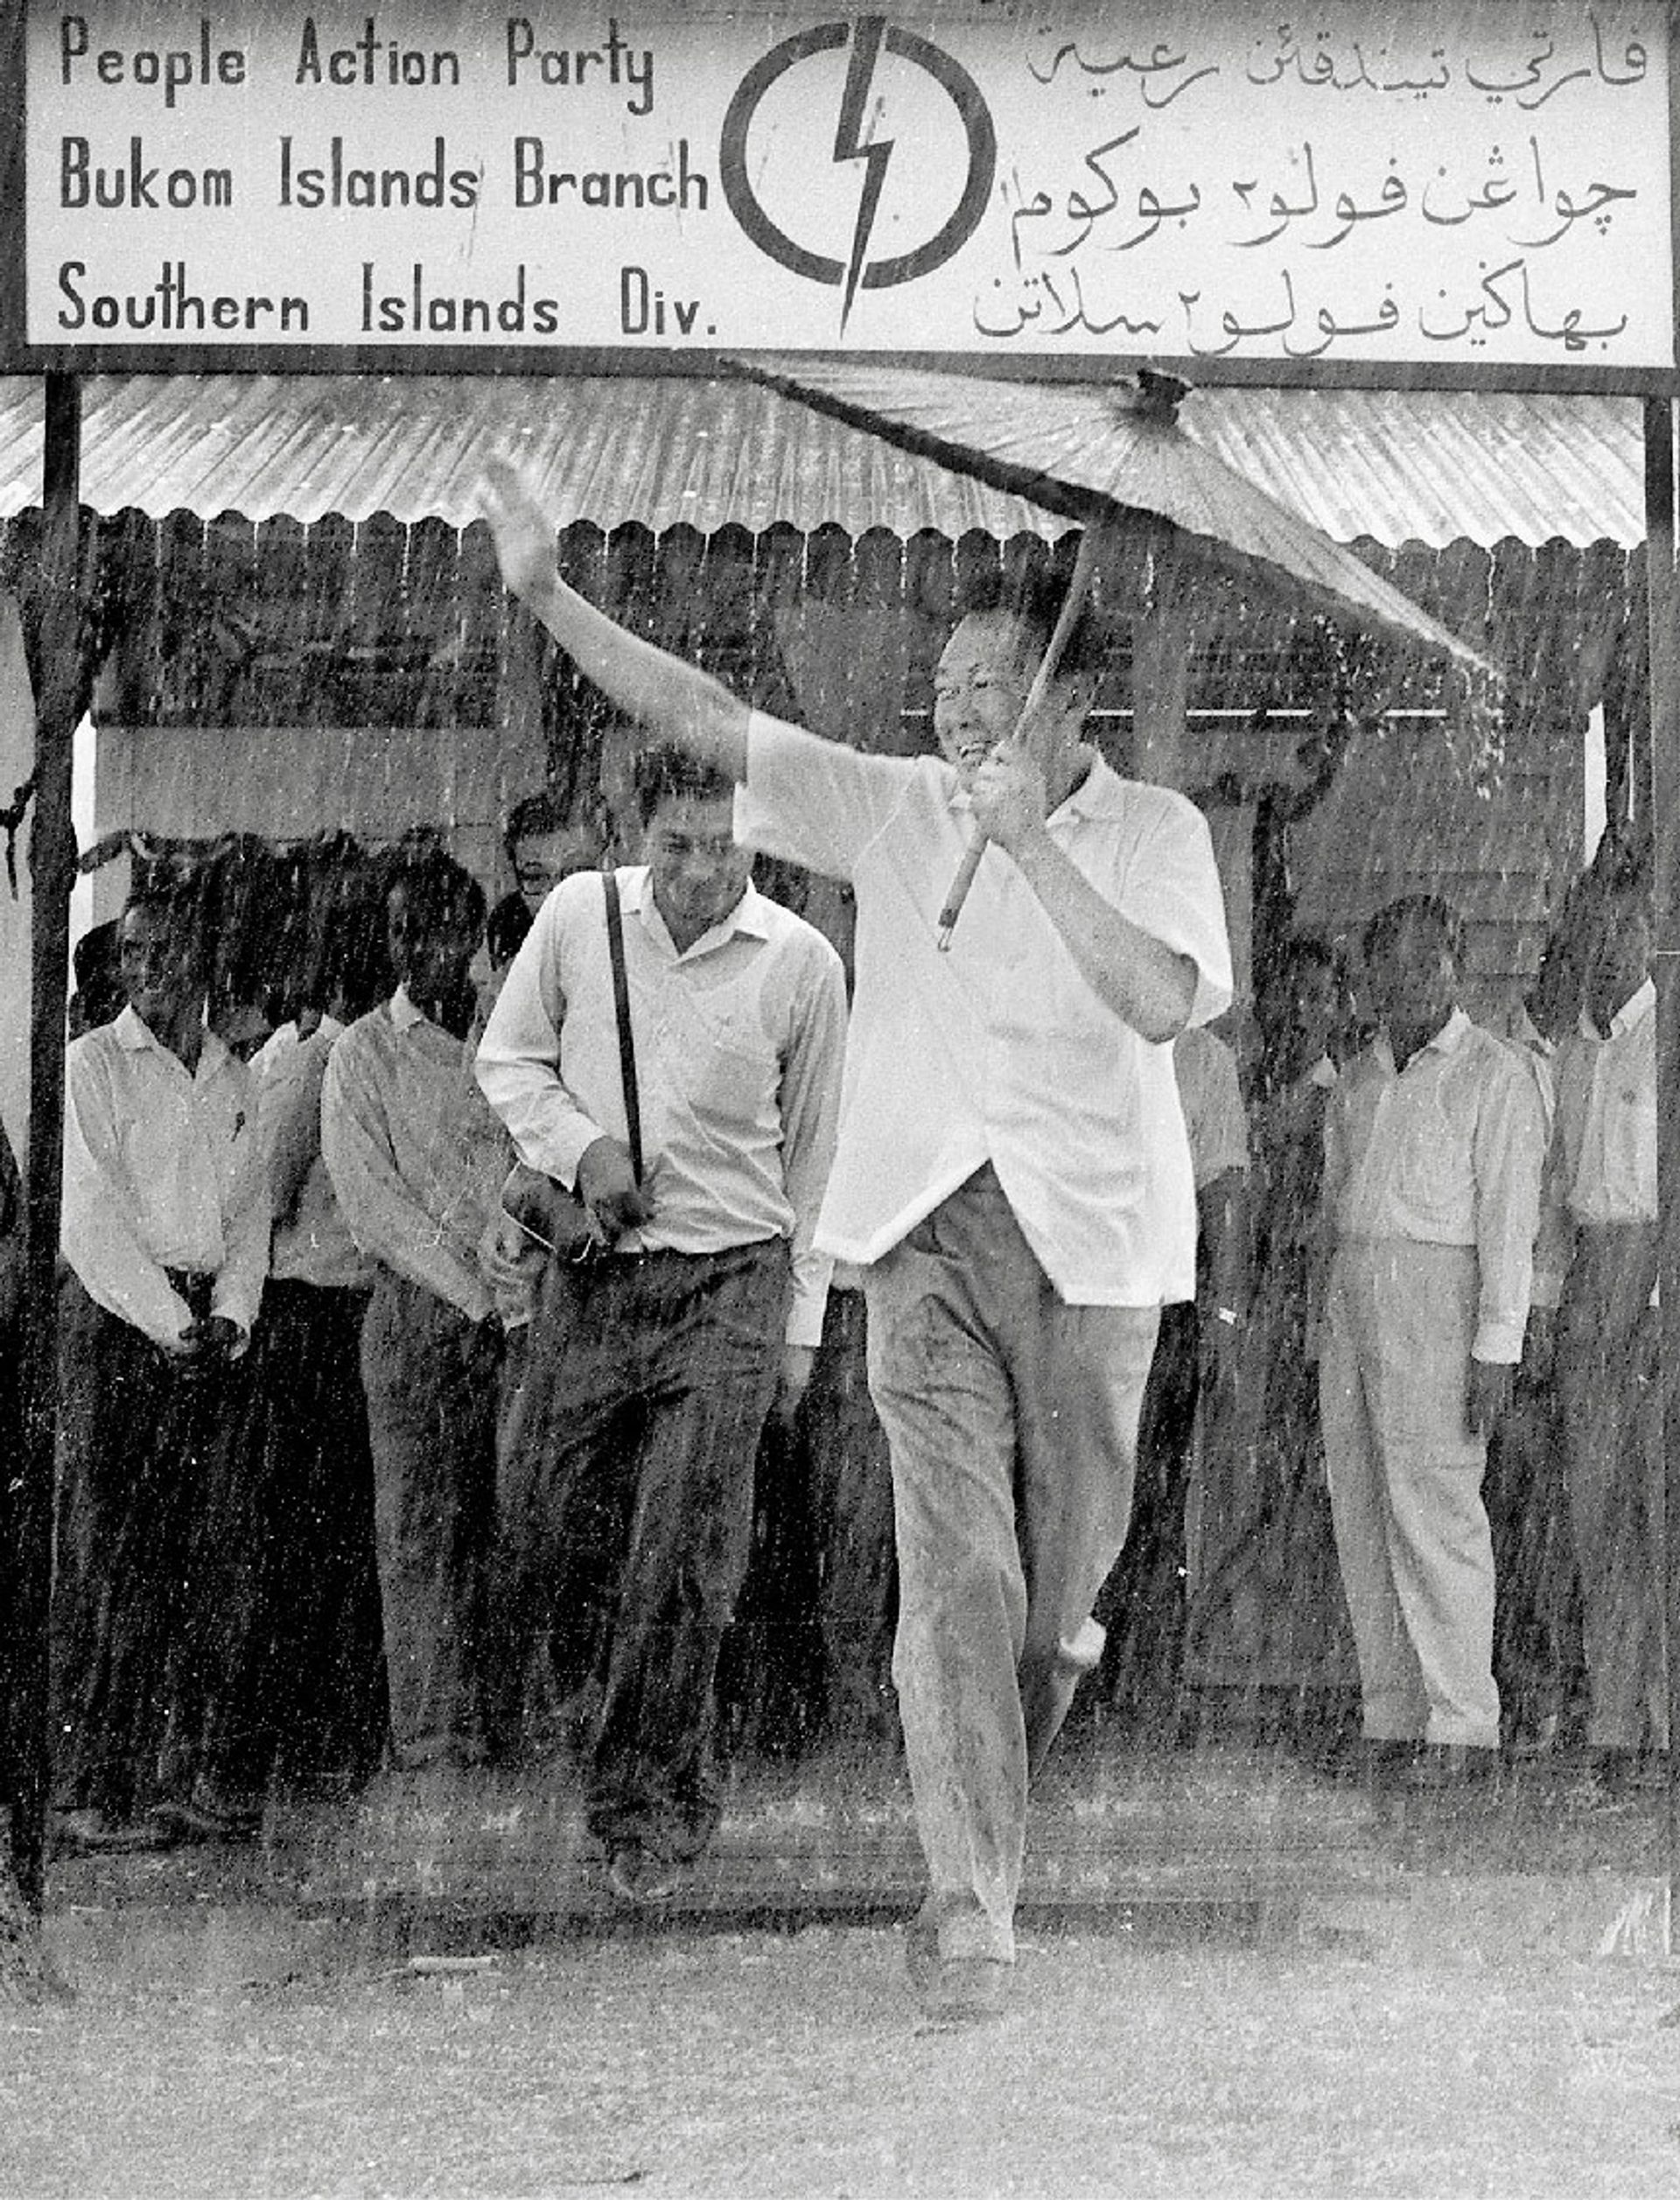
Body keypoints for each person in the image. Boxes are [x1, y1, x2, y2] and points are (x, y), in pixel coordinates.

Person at [480, 460, 1232, 2021]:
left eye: (990, 686)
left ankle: (1002, 1759)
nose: (958, 713)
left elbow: (1162, 1000)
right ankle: (973, 1900)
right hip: (919, 1241)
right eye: (945, 688)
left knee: (1054, 1597)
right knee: (955, 1577)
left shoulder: (1156, 829)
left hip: (1097, 1252)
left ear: (1065, 705)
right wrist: (551, 595)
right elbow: (704, 715)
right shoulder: (889, 808)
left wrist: (1035, 844)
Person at [476, 745, 846, 1902]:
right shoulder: (580, 919)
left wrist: (800, 1328)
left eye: (722, 848)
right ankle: (637, 1729)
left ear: (759, 838)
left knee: (685, 1550)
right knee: (541, 1515)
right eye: (674, 845)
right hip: (598, 1275)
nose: (697, 873)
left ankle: (647, 1807)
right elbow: (508, 1058)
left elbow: (820, 1159)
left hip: (733, 1283)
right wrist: (581, 1148)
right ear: (637, 833)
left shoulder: (803, 962)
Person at [52, 886, 269, 1849]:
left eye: (170, 952)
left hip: (206, 1336)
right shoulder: (92, 1065)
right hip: (119, 1332)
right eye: (137, 952)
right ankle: (95, 1792)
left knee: (211, 1558)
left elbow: (249, 1215)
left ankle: (190, 1780)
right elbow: (90, 1216)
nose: (152, 970)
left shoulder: (234, 1075)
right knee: (114, 1558)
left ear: (204, 956)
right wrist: (165, 1323)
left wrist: (227, 1317)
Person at [1319, 896, 1548, 1793]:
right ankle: (1393, 1712)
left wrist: (1497, 1350)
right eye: (1391, 963)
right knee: (1364, 1506)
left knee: (1439, 1511)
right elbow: (1336, 1205)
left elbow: (1509, 1226)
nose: (1407, 980)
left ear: (1458, 967)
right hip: (1358, 1299)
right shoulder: (1361, 1077)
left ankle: (1462, 1723)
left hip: (1441, 1305)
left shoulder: (1496, 1075)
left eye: (1427, 962)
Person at [321, 849, 517, 1775]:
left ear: (472, 935)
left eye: (437, 927)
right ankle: (433, 1736)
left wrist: (510, 1290)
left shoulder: (510, 1035)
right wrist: (473, 1293)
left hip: (518, 1316)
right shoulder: (361, 1053)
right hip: (417, 1317)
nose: (417, 948)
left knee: (512, 1519)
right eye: (402, 929)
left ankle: (507, 1722)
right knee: (419, 1533)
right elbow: (374, 1209)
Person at [238, 900, 393, 1800]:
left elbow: (267, 1189)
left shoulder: (346, 1055)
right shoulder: (327, 1058)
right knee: (313, 1532)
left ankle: (320, 1736)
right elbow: (269, 1190)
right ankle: (305, 1741)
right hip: (314, 1312)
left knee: (323, 1532)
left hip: (336, 1313)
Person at [1530, 884, 1666, 1795]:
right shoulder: (1573, 1053)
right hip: (1589, 1288)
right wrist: (1544, 1314)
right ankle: (1619, 1721)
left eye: (1625, 928)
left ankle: (1667, 1722)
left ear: (1650, 932)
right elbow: (1553, 1200)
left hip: (1658, 1281)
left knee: (1663, 1510)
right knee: (1595, 1515)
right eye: (1594, 932)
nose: (1609, 947)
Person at [1095, 1019, 1249, 1737]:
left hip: (1168, 1307)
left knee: (1155, 1498)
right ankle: (1064, 1683)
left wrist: (1223, 1314)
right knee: (1071, 1496)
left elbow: (1225, 1189)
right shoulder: (1079, 1033)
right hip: (1079, 1303)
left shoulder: (1202, 1058)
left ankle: (1145, 1682)